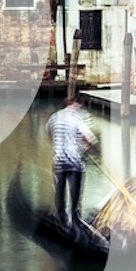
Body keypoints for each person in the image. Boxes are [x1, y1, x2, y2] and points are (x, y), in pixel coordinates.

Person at [47, 95, 98, 230]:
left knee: (59, 193)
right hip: (75, 163)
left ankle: (61, 221)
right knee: (75, 197)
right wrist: (94, 150)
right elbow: (90, 138)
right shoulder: (77, 118)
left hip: (58, 161)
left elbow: (50, 135)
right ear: (74, 105)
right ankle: (75, 224)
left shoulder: (54, 117)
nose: (79, 108)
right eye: (79, 106)